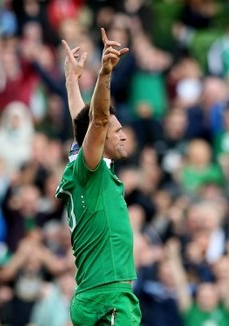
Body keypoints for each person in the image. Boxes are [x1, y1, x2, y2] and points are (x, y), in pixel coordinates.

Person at [55, 28, 142, 325]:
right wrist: (105, 73)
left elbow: (82, 120)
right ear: (99, 137)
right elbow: (97, 119)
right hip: (109, 298)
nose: (123, 136)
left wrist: (71, 81)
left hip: (93, 296)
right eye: (117, 132)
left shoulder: (81, 162)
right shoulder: (90, 167)